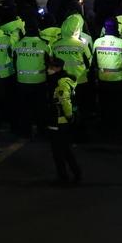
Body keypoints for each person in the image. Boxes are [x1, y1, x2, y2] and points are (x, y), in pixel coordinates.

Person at [46, 56, 82, 185]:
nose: (48, 69)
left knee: (59, 151)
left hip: (58, 121)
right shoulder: (63, 80)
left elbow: (64, 100)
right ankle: (74, 174)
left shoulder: (60, 82)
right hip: (59, 120)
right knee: (65, 150)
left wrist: (69, 116)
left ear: (58, 68)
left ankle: (65, 177)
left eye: (51, 67)